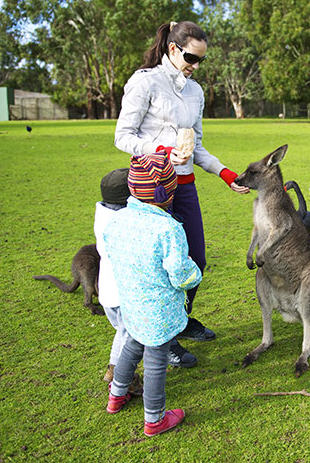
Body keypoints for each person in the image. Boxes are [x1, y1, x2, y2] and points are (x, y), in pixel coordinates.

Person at [114, 20, 249, 367]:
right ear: (173, 49)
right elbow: (123, 136)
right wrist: (161, 149)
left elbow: (197, 145)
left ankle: (180, 320)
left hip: (184, 185)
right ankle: (166, 339)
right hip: (153, 187)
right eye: (191, 57)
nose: (195, 65)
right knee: (163, 269)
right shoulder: (145, 82)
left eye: (201, 60)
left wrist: (225, 173)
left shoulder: (195, 91)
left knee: (196, 262)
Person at [103, 151, 202, 437]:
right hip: (158, 312)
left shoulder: (118, 219)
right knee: (156, 361)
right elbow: (179, 273)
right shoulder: (168, 228)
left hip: (131, 304)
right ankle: (155, 418)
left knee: (132, 347)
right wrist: (195, 274)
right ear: (169, 192)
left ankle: (116, 396)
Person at [94, 168, 142, 395]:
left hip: (107, 291)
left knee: (122, 332)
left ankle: (113, 371)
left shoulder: (102, 214)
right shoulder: (123, 223)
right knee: (129, 337)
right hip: (123, 292)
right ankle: (122, 378)